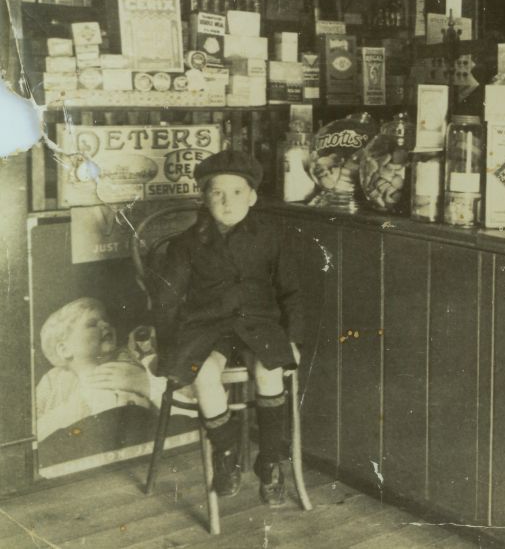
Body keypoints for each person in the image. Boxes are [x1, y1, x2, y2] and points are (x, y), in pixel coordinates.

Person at [154, 149, 304, 506]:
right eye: (217, 192)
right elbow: (167, 302)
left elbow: (292, 292)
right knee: (205, 375)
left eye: (237, 192)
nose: (227, 201)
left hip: (258, 324)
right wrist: (168, 347)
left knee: (270, 370)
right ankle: (226, 456)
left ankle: (268, 461)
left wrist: (293, 337)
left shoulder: (269, 237)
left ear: (251, 197)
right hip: (207, 328)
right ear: (204, 198)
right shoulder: (186, 244)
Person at [35, 297, 163, 441]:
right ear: (64, 349)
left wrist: (145, 383)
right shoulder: (54, 384)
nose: (105, 325)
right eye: (91, 324)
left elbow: (187, 407)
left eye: (106, 320)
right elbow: (35, 437)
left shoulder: (140, 361)